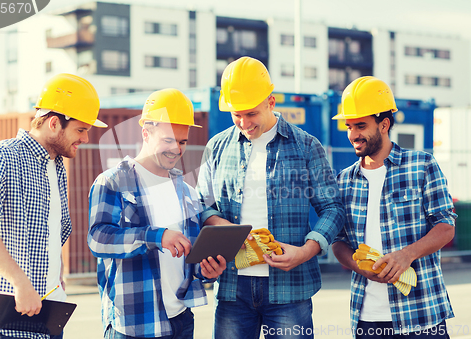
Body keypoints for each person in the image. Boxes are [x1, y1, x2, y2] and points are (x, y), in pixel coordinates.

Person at [196, 56, 345, 339]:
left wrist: (306, 251)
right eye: (236, 114)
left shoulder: (306, 146)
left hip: (291, 288)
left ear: (271, 102)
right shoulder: (216, 147)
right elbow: (201, 206)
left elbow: (333, 208)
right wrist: (224, 228)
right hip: (231, 287)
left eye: (251, 114)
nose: (243, 122)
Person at [0, 73, 107, 339]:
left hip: (46, 316)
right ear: (54, 123)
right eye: (80, 130)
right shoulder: (3, 156)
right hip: (6, 320)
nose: (85, 138)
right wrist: (19, 282)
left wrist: (57, 275)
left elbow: (52, 235)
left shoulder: (56, 167)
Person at [87, 88, 226, 339]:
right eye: (168, 140)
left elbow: (188, 256)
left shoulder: (186, 191)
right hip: (134, 324)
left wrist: (206, 271)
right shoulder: (112, 182)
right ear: (146, 133)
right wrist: (157, 236)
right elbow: (98, 238)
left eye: (182, 142)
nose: (176, 149)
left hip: (181, 321)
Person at [331, 76, 456, 338]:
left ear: (384, 124)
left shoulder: (422, 165)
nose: (353, 134)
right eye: (349, 126)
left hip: (422, 315)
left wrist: (406, 255)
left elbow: (445, 227)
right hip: (368, 319)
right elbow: (339, 243)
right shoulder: (344, 180)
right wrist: (358, 266)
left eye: (361, 126)